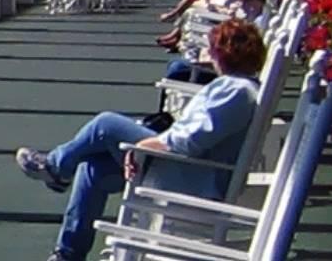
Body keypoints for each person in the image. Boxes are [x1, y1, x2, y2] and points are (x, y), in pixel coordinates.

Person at [15, 18, 266, 261]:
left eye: (213, 50)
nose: (210, 56)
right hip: (186, 169)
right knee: (93, 170)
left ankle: (56, 167)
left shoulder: (236, 91)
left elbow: (189, 141)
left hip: (192, 176)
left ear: (225, 53)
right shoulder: (238, 87)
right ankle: (68, 254)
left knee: (105, 124)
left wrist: (144, 145)